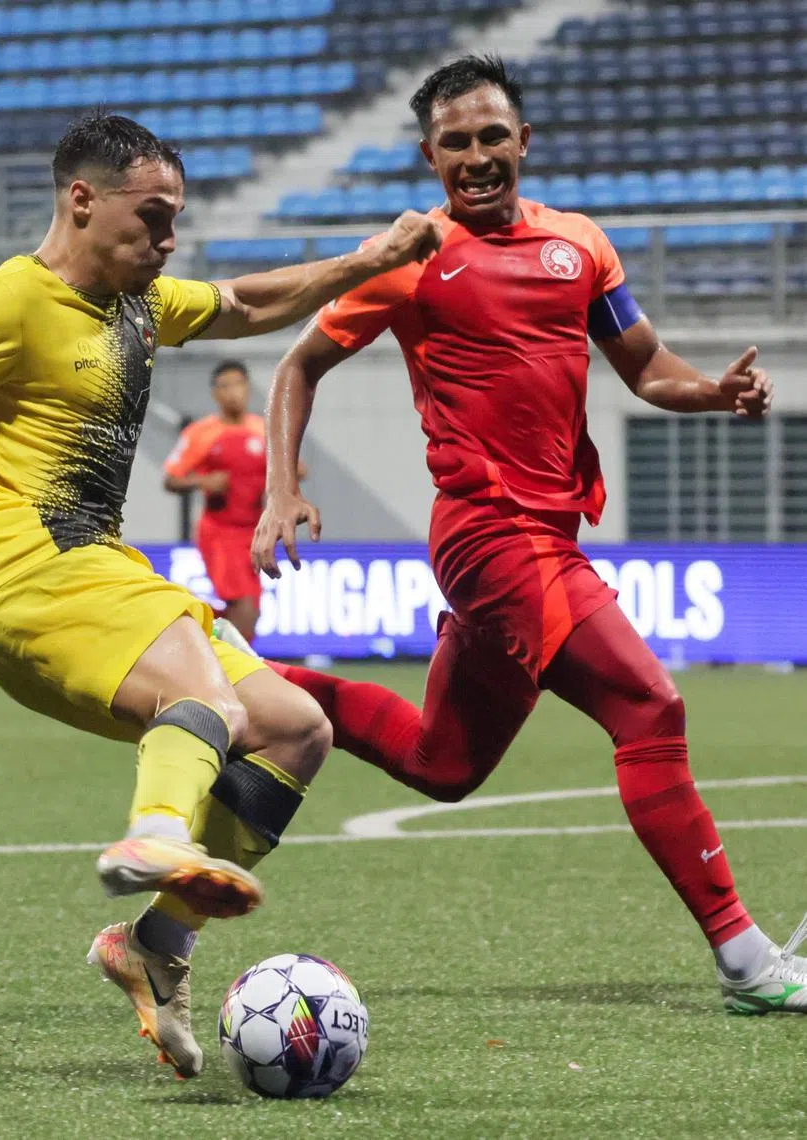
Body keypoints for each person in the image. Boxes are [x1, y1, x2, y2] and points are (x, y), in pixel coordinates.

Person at [0, 110, 441, 1078]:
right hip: (26, 571)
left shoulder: (140, 301)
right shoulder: (2, 302)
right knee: (200, 696)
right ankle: (158, 836)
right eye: (152, 217)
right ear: (82, 199)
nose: (168, 241)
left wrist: (370, 258)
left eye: (176, 221)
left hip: (103, 566)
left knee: (293, 728)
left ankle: (155, 947)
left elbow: (249, 303)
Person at [250, 56, 807, 1015]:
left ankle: (243, 682)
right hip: (490, 533)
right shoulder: (408, 260)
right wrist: (281, 489)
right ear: (430, 157)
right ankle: (747, 962)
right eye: (456, 143)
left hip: (547, 531)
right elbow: (299, 366)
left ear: (523, 142)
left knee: (442, 764)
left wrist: (710, 390)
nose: (477, 157)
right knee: (651, 709)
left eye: (492, 137)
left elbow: (643, 366)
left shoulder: (580, 245)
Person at [163, 360, 303, 644]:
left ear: (249, 388)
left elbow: (298, 469)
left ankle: (189, 629)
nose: (234, 393)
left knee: (249, 611)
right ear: (215, 393)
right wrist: (202, 481)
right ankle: (235, 671)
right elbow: (171, 479)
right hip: (219, 533)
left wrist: (279, 479)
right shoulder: (201, 433)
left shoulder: (263, 430)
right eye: (226, 386)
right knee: (245, 608)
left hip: (253, 533)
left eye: (239, 384)